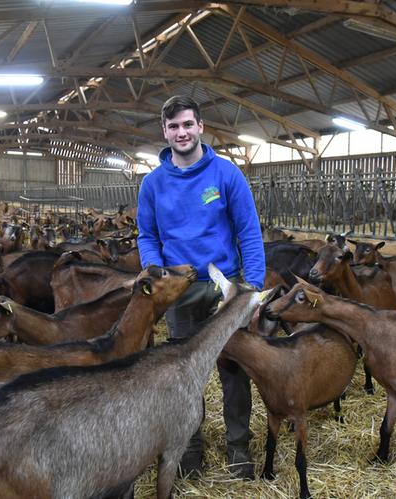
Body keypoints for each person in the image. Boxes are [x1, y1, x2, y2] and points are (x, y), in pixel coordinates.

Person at [136, 95, 266, 479]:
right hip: (180, 292)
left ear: (201, 127)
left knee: (234, 370)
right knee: (183, 377)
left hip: (224, 289)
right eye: (174, 126)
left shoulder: (226, 174)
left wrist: (252, 289)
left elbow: (249, 233)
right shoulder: (153, 184)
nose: (182, 132)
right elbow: (147, 235)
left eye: (187, 124)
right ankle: (190, 450)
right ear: (165, 131)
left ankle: (238, 447)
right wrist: (155, 271)